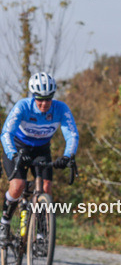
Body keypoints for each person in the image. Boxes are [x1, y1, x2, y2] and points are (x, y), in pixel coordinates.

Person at [0, 72, 78, 239]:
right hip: (18, 148)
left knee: (46, 188)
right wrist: (13, 154)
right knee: (18, 186)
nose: (44, 104)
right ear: (33, 96)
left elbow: (72, 134)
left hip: (41, 150)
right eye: (40, 99)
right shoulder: (22, 107)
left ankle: (41, 233)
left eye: (48, 99)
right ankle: (5, 222)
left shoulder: (60, 109)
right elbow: (6, 133)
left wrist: (67, 156)